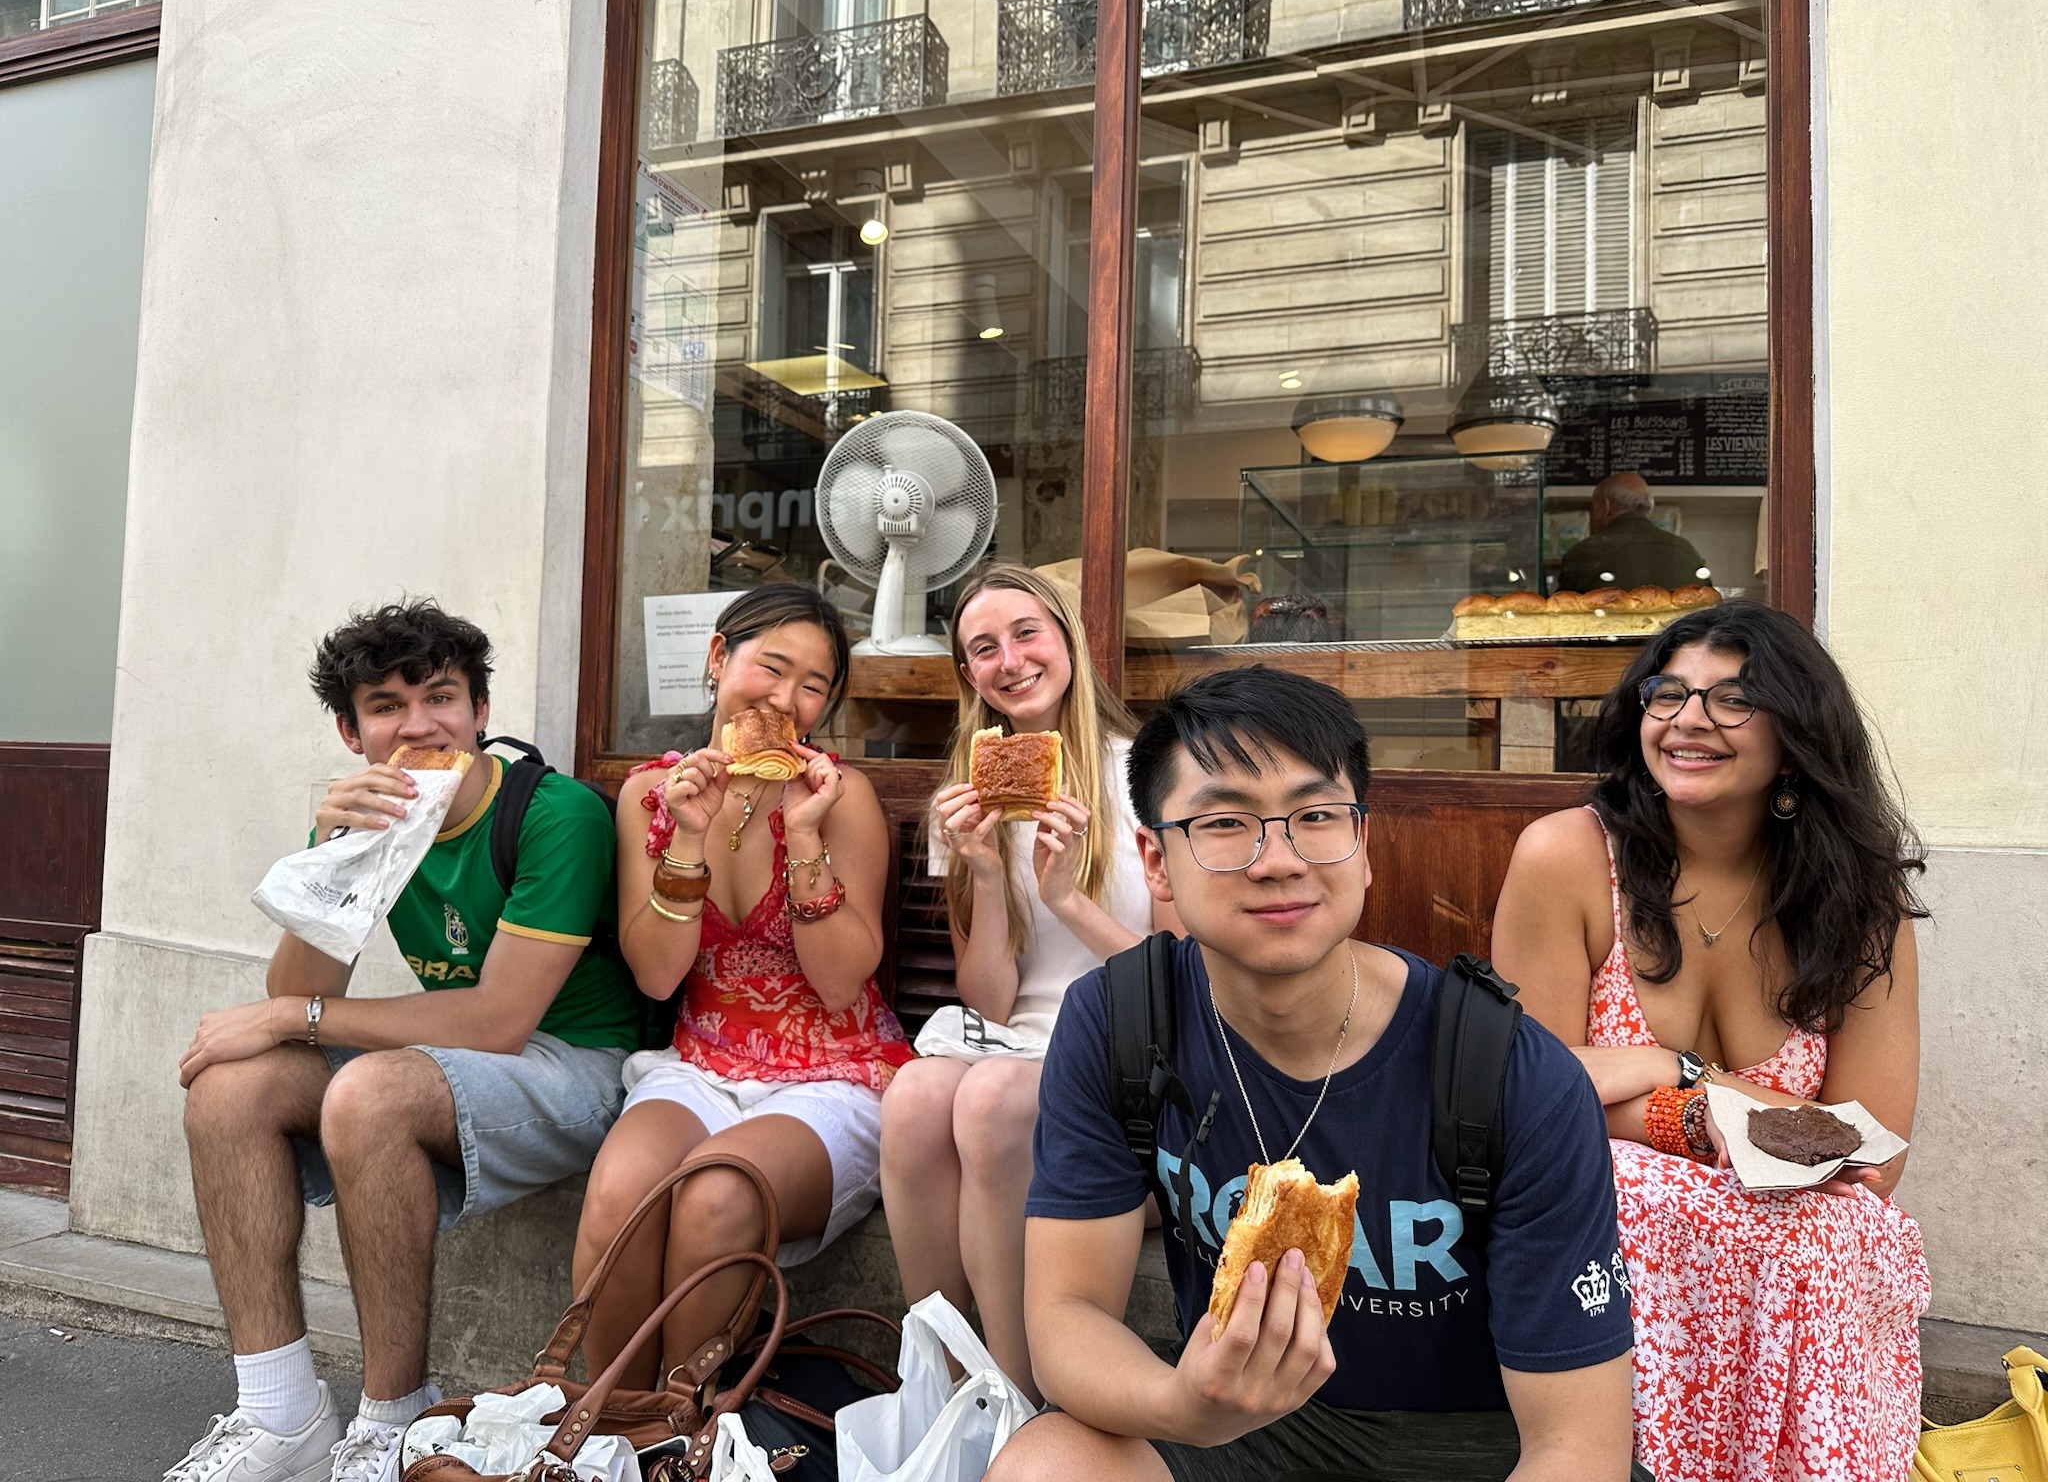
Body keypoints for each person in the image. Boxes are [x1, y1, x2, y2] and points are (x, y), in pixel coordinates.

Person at [990, 665, 1638, 1482]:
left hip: (1477, 1447)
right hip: (1247, 1428)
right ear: (1156, 862)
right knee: (1049, 1465)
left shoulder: (1510, 1073)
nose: (1278, 859)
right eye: (1226, 822)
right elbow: (1067, 1313)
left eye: (1315, 815)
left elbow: (1576, 1450)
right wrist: (1182, 1404)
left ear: (1363, 846)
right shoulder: (1120, 1020)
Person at [171, 600, 639, 1482]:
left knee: (367, 1089)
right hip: (452, 1063)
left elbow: (498, 1020)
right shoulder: (375, 818)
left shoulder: (555, 815)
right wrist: (335, 847)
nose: (419, 726)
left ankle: (393, 1422)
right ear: (352, 732)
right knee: (231, 1088)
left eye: (441, 697)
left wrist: (291, 1021)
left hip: (585, 1065)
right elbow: (303, 990)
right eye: (386, 706)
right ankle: (279, 1413)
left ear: (480, 712)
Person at [1491, 597, 1931, 1482]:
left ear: (1797, 739)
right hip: (1602, 1221)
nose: (1689, 720)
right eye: (1668, 694)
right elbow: (1518, 1096)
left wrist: (1654, 1088)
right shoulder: (1567, 857)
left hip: (1793, 1227)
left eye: (1733, 699)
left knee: (1847, 1234)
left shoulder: (1856, 902)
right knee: (1674, 1203)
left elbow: (1870, 1152)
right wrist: (1690, 1089)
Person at [569, 583, 914, 1388]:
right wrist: (686, 840)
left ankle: (686, 1435)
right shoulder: (650, 797)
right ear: (719, 658)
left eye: (814, 685)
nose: (787, 699)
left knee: (718, 1196)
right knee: (621, 1191)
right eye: (773, 668)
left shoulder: (841, 797)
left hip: (832, 1072)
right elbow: (658, 973)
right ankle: (605, 1432)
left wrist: (802, 836)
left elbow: (838, 984)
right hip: (703, 1062)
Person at [879, 564, 1180, 1402]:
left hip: (1133, 1052)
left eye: (1026, 634)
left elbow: (1179, 984)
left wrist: (1068, 902)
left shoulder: (1152, 778)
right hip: (1017, 1037)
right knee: (910, 1099)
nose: (1009, 660)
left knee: (988, 1102)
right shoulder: (966, 801)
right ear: (968, 675)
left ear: (1069, 643)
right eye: (983, 648)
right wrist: (980, 872)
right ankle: (938, 1388)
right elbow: (990, 1002)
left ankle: (1015, 1395)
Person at [1557, 472, 1712, 594]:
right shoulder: (1684, 549)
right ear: (1648, 507)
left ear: (1606, 507)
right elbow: (1707, 604)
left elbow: (1564, 611)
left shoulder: (1584, 552)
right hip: (1677, 634)